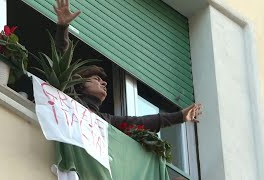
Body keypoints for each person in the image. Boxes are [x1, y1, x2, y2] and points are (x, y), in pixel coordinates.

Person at [53, 0, 202, 131]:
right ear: (79, 84)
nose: (104, 82)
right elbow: (63, 64)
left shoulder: (105, 121)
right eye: (96, 79)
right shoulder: (70, 97)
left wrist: (180, 116)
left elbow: (141, 123)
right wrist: (63, 28)